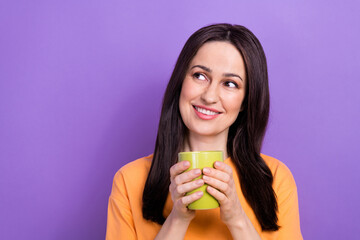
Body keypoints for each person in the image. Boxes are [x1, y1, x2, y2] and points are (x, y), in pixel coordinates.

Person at [106, 23, 303, 240]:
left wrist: (236, 217)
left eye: (230, 83)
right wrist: (178, 219)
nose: (209, 96)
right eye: (200, 76)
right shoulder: (129, 179)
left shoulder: (275, 178)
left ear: (246, 101)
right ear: (181, 81)